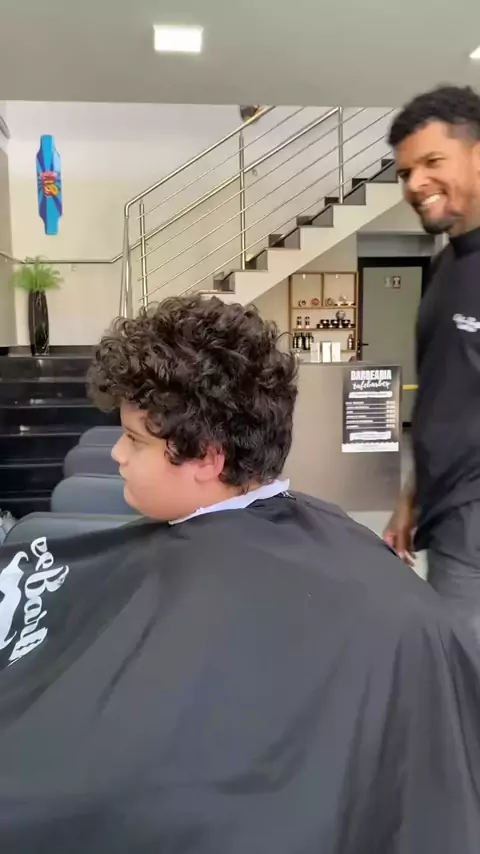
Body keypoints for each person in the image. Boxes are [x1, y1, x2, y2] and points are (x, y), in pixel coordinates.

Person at [1, 294, 480, 853]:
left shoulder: (364, 615)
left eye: (135, 440)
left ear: (207, 458)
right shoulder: (321, 534)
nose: (118, 457)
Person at [384, 85, 480, 644]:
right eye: (405, 172)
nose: (415, 183)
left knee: (459, 672)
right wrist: (409, 499)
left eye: (432, 162)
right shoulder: (446, 268)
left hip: (473, 518)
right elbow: (443, 395)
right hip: (446, 514)